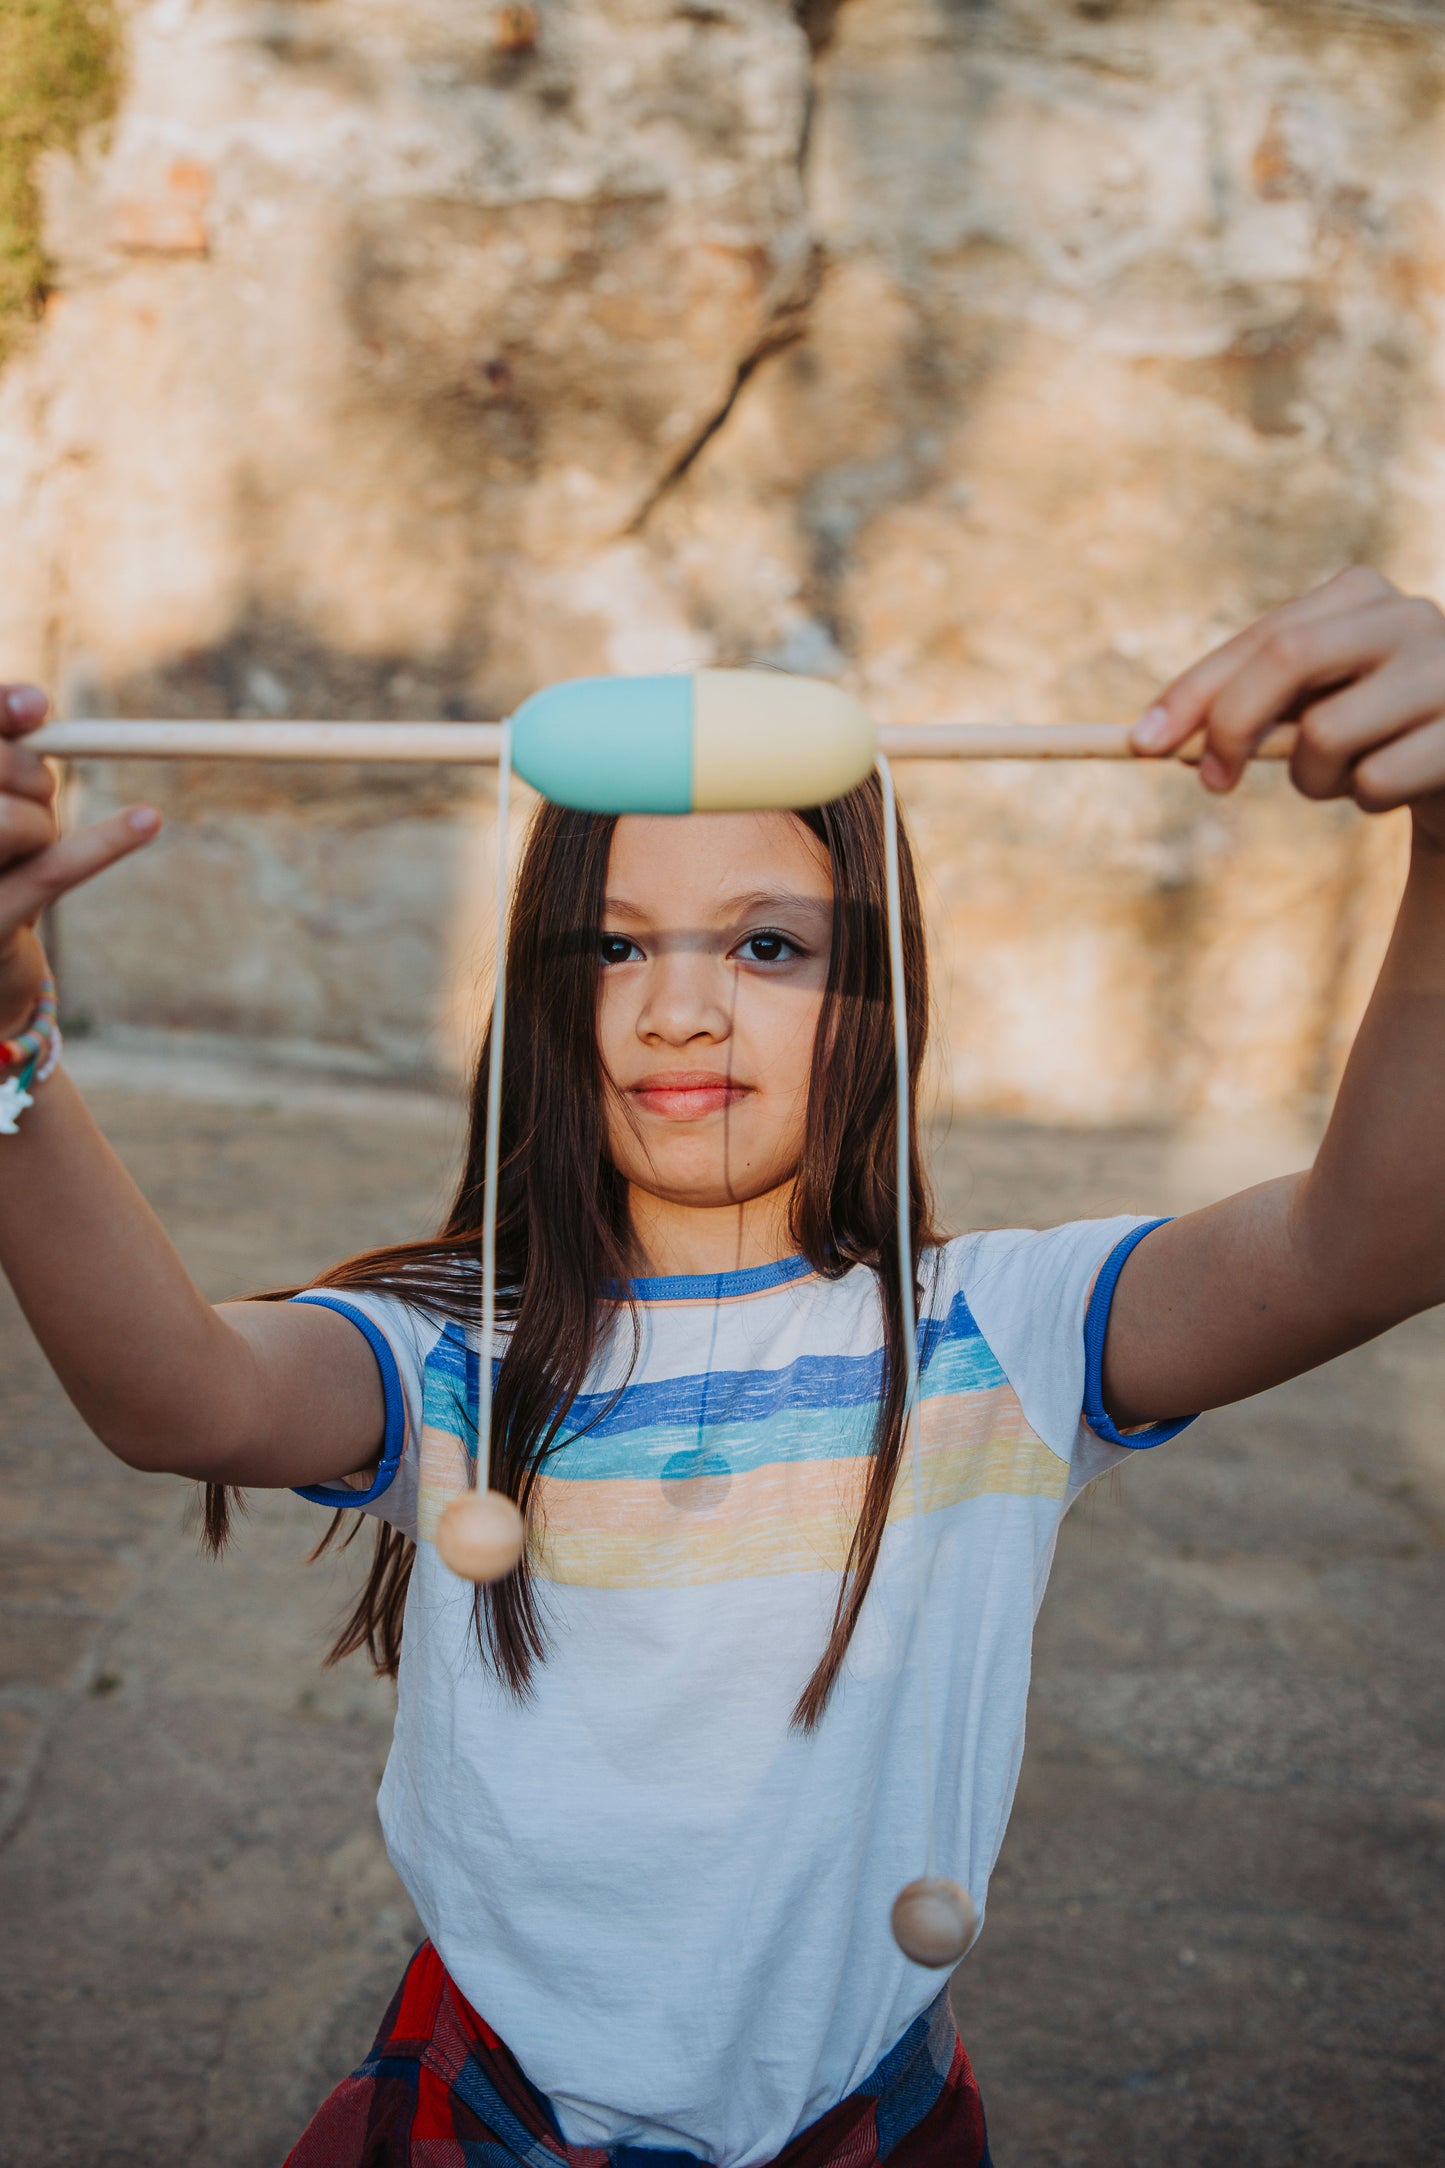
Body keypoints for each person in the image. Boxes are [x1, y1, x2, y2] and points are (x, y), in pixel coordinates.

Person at [1, 564, 1443, 2167]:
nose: (680, 1009)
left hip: (863, 2123)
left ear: (875, 998)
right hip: (484, 2114)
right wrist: (9, 1047)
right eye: (613, 950)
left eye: (766, 945)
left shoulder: (1002, 1334)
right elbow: (170, 1395)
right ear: (550, 1002)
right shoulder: (453, 1363)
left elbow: (1366, 1244)